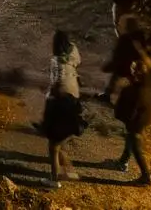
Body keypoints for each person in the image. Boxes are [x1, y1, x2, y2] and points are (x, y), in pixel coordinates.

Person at [44, 31, 85, 186]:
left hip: (61, 103)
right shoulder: (74, 49)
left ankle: (54, 180)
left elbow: (56, 85)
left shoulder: (56, 61)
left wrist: (49, 97)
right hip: (74, 98)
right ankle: (70, 171)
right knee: (61, 139)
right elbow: (78, 62)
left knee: (53, 144)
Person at [113, 50, 151, 186]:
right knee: (130, 139)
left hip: (135, 122)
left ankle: (146, 176)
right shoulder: (148, 88)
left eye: (132, 70)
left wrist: (125, 119)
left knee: (137, 147)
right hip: (143, 119)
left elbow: (128, 111)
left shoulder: (131, 91)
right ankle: (123, 161)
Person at [102, 16, 147, 103]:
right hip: (136, 66)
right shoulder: (141, 36)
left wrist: (112, 64)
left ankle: (108, 95)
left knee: (115, 76)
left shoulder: (125, 38)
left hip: (124, 66)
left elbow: (118, 54)